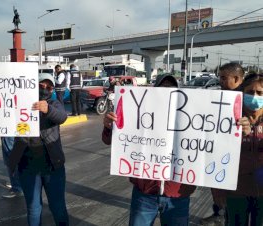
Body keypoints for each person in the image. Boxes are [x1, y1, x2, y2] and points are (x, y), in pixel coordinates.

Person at [102, 74, 196, 226]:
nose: (166, 94)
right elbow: (108, 140)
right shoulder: (141, 115)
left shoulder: (190, 119)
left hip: (177, 195)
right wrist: (108, 126)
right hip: (144, 194)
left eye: (171, 90)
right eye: (162, 89)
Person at [9, 73, 69, 226]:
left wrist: (47, 109)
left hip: (52, 166)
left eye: (49, 87)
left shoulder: (54, 104)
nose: (45, 89)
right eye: (41, 85)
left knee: (58, 207)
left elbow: (62, 116)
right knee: (33, 208)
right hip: (27, 167)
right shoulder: (21, 104)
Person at [213, 73, 263, 225]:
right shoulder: (229, 118)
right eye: (250, 92)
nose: (254, 96)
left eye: (260, 93)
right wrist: (217, 192)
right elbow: (216, 154)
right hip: (236, 192)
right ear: (242, 93)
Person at [201, 62, 244, 226]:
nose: (220, 81)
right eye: (220, 77)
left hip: (239, 157)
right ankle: (219, 213)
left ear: (237, 78)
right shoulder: (218, 96)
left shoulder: (247, 98)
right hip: (217, 151)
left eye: (224, 78)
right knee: (217, 189)